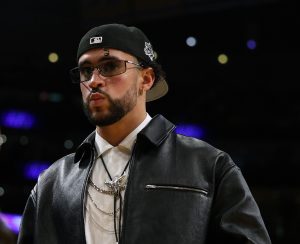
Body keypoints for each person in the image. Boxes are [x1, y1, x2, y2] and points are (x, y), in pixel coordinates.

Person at [17, 23, 271, 244]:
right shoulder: (52, 183)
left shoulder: (209, 166)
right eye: (86, 70)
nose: (94, 80)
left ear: (146, 79)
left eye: (109, 66)